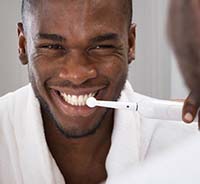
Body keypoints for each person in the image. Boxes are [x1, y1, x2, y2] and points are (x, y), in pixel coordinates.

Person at [0, 1, 197, 184]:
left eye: (101, 46)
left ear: (130, 44)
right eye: (53, 47)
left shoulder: (186, 147)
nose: (77, 75)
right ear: (23, 46)